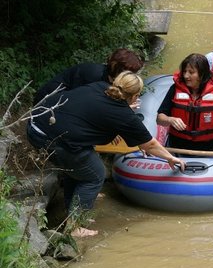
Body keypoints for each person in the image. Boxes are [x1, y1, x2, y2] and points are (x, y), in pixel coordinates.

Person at [27, 71, 185, 238]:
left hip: (36, 123)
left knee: (77, 170)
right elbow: (149, 144)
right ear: (136, 95)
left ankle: (72, 212)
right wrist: (170, 157)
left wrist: (124, 110)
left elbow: (96, 108)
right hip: (51, 137)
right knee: (95, 175)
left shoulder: (100, 87)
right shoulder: (124, 116)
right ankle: (75, 227)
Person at [157, 53, 213, 156]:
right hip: (177, 148)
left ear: (202, 74)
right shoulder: (175, 89)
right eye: (184, 71)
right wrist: (170, 120)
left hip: (207, 150)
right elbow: (159, 118)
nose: (186, 76)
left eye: (191, 72)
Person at [33, 48, 144, 104]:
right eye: (130, 73)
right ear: (118, 68)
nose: (131, 76)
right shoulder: (93, 74)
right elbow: (81, 102)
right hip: (49, 101)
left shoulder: (110, 79)